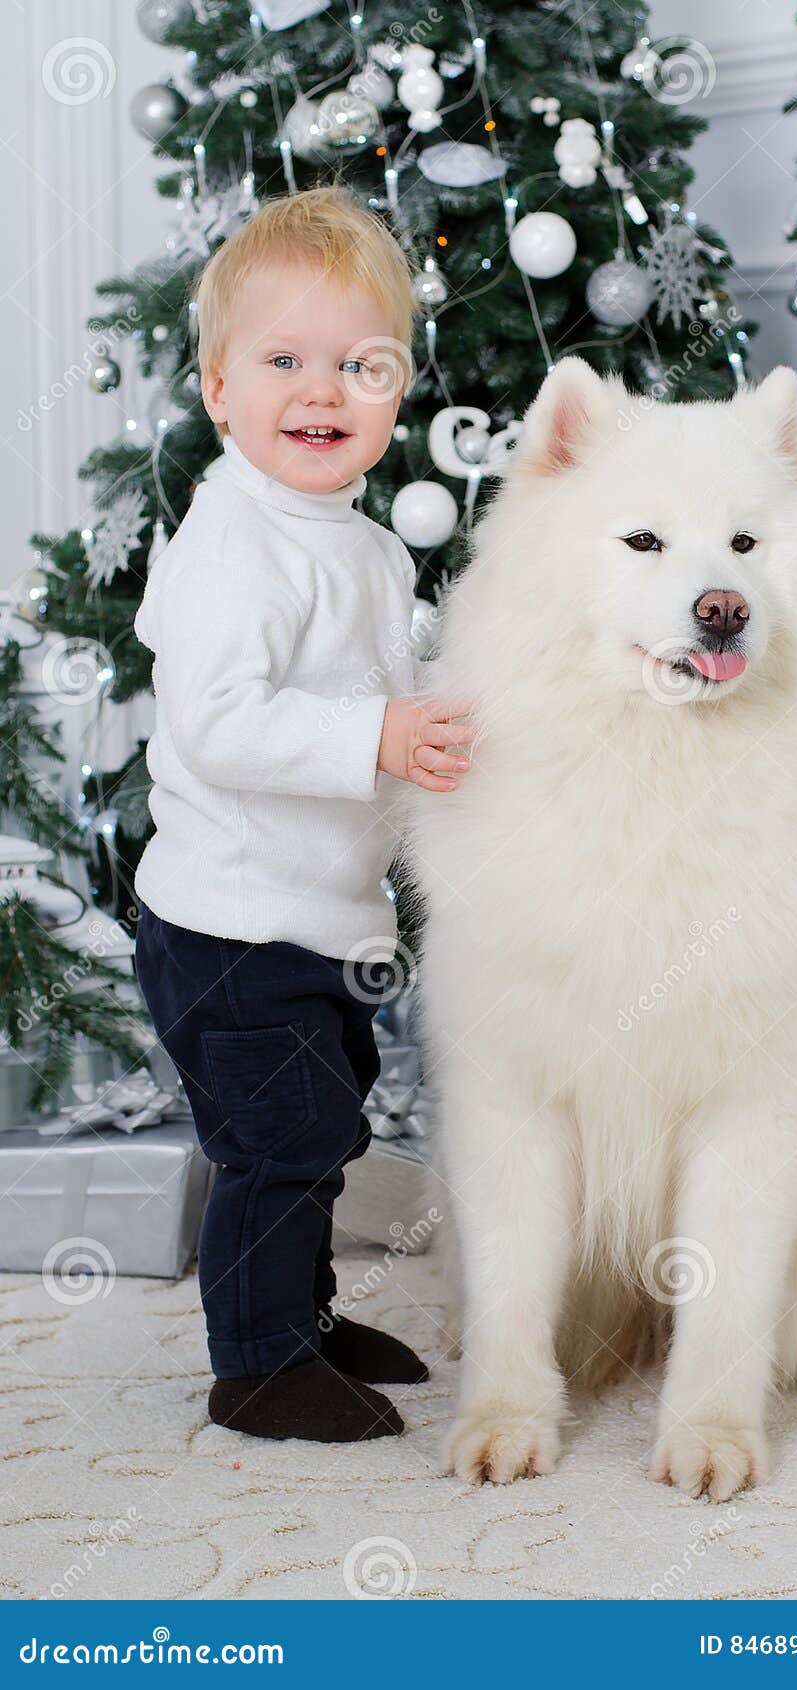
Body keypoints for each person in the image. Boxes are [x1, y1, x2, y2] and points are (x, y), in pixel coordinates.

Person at [133, 185, 475, 1443]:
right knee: (281, 1138)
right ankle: (258, 1363)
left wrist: (446, 703)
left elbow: (402, 664)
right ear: (219, 390)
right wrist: (375, 735)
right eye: (283, 361)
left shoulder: (366, 546)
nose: (321, 391)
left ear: (395, 392)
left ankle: (302, 1313)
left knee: (320, 1129)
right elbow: (220, 722)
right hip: (229, 922)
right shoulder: (234, 541)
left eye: (358, 364)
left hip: (318, 915)